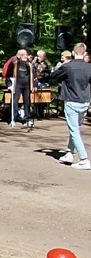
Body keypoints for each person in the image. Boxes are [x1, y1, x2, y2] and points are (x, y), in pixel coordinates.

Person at [51, 42, 91, 170]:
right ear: (84, 53)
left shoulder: (68, 67)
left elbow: (53, 75)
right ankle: (69, 153)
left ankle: (84, 159)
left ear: (73, 53)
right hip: (85, 101)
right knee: (75, 129)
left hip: (71, 101)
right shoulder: (89, 67)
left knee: (74, 131)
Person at [4, 49, 33, 128]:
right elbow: (8, 74)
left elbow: (32, 74)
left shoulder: (29, 64)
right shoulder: (14, 62)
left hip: (26, 84)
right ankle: (13, 117)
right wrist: (9, 84)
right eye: (24, 55)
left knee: (27, 101)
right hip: (17, 84)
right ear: (20, 56)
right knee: (14, 101)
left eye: (26, 55)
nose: (26, 56)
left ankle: (27, 118)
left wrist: (33, 85)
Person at [32, 50, 53, 118]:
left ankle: (41, 112)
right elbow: (31, 69)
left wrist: (43, 75)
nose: (40, 58)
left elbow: (51, 71)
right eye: (39, 56)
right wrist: (34, 61)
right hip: (36, 82)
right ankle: (35, 112)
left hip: (44, 82)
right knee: (34, 97)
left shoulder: (47, 63)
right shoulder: (34, 62)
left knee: (43, 98)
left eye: (42, 57)